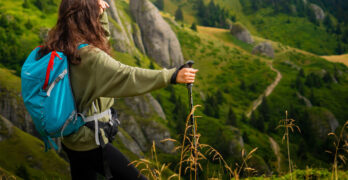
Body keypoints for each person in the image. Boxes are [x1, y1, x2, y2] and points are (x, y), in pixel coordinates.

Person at [37, 0, 198, 179]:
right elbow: (128, 76)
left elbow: (99, 40)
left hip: (72, 137)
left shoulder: (62, 44)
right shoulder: (90, 57)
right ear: (87, 17)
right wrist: (172, 76)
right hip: (91, 143)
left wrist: (99, 11)